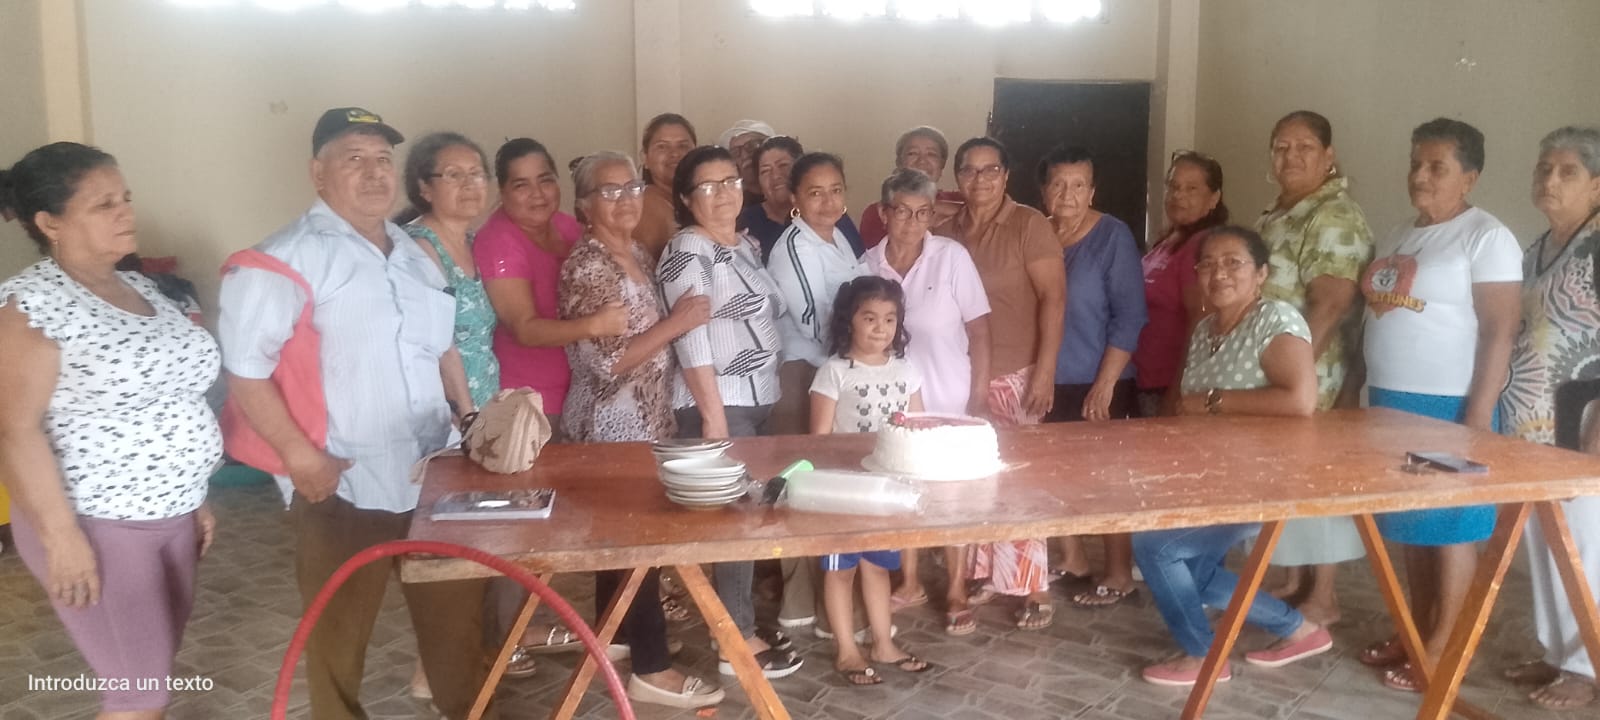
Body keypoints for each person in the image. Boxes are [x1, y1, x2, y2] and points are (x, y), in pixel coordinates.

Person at [219, 108, 492, 719]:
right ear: (318, 173)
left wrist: (469, 418)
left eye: (383, 160)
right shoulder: (286, 257)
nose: (374, 173)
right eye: (354, 159)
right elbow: (244, 368)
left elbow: (441, 344)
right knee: (338, 638)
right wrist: (299, 458)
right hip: (341, 479)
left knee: (457, 628)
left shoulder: (414, 253)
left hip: (433, 474)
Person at [0, 142, 222, 719]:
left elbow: (174, 394)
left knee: (150, 679)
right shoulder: (32, 307)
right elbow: (14, 431)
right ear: (50, 222)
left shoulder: (143, 290)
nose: (126, 212)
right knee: (138, 695)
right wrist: (60, 537)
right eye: (103, 205)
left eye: (125, 198)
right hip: (99, 522)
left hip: (172, 513)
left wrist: (194, 494)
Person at [1343, 118, 1522, 692]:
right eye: (1416, 163)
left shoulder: (1486, 237)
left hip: (1450, 405)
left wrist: (1477, 417)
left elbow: (1500, 330)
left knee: (1451, 528)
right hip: (1391, 405)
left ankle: (1446, 649)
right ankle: (1416, 632)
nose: (1420, 175)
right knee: (1413, 526)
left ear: (1469, 177)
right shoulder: (1401, 233)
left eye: (1437, 166)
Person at [558, 151, 721, 709]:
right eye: (609, 191)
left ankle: (619, 637)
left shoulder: (637, 253)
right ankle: (653, 670)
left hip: (644, 422)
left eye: (631, 187)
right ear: (584, 205)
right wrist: (679, 323)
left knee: (621, 543)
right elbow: (607, 362)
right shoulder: (588, 266)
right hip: (610, 426)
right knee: (641, 544)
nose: (625, 199)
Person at [1135, 225, 1331, 687]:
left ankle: (1202, 656)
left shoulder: (1274, 320)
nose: (1218, 273)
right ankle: (1299, 630)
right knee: (1196, 573)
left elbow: (1300, 400)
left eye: (1233, 263)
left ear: (1260, 273)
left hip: (1260, 479)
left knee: (1155, 547)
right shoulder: (1206, 329)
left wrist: (1213, 402)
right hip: (1211, 477)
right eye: (1207, 264)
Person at [657, 145, 801, 678]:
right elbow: (690, 334)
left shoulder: (744, 244)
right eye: (708, 186)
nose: (723, 193)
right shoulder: (687, 248)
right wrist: (713, 417)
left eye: (731, 182)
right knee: (734, 524)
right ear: (686, 198)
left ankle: (739, 623)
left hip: (756, 400)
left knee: (746, 517)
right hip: (721, 405)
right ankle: (734, 639)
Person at [934, 137, 1066, 630]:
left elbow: (1054, 298)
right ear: (958, 177)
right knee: (973, 482)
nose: (980, 179)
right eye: (969, 170)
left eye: (991, 170)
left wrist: (1045, 371)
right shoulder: (946, 231)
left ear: (1006, 176)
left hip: (1016, 373)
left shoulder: (1029, 225)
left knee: (1018, 482)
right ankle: (991, 575)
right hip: (962, 378)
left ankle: (1034, 586)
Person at [1254, 110, 1372, 625]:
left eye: (1304, 147)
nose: (1291, 156)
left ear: (1329, 156)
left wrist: (1291, 374)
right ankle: (1293, 580)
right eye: (1281, 147)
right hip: (1276, 371)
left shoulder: (1335, 214)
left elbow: (1331, 304)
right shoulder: (1279, 212)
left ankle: (1323, 595)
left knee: (1317, 479)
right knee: (1287, 479)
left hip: (1312, 376)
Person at [1499, 125, 1600, 711]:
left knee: (1584, 547)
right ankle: (1559, 652)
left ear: (1597, 185)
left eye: (1567, 172)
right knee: (1543, 544)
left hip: (1581, 426)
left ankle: (1587, 666)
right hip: (1531, 427)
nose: (1550, 180)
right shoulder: (1536, 246)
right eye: (1544, 169)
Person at [864, 168, 992, 633]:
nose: (913, 223)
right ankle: (911, 580)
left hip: (951, 395)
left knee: (952, 496)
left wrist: (979, 396)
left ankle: (956, 589)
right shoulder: (865, 265)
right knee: (903, 487)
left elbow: (980, 330)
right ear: (884, 213)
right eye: (902, 212)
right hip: (895, 402)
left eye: (923, 213)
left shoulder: (952, 257)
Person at [1036, 146, 1148, 608]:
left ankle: (1119, 573)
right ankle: (1074, 558)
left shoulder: (1112, 236)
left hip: (1101, 379)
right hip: (1047, 379)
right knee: (1053, 476)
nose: (1068, 194)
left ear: (1092, 191)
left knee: (1108, 481)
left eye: (1079, 185)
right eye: (1058, 184)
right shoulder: (1037, 233)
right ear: (1044, 191)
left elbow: (1130, 315)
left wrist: (1105, 385)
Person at [809, 275, 933, 685]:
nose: (881, 328)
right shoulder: (833, 372)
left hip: (886, 490)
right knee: (840, 570)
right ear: (849, 321)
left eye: (890, 319)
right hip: (844, 491)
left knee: (878, 567)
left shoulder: (906, 370)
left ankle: (883, 644)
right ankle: (847, 650)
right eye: (869, 318)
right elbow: (819, 439)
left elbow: (916, 427)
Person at [476, 138, 624, 432]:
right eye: (521, 185)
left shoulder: (566, 226)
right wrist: (595, 325)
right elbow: (524, 329)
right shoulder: (498, 242)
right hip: (531, 402)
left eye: (545, 180)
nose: (537, 194)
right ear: (503, 192)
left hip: (581, 391)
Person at [766, 152, 868, 436]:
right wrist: (867, 353)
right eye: (815, 193)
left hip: (840, 368)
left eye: (835, 190)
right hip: (805, 373)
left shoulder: (838, 236)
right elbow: (813, 321)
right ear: (794, 199)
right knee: (804, 458)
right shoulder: (797, 245)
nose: (828, 202)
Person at [401, 132, 499, 409]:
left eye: (476, 174)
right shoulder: (418, 248)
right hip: (447, 412)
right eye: (453, 175)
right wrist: (464, 412)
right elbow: (435, 345)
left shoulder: (474, 242)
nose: (469, 184)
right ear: (424, 188)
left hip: (483, 404)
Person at [1136, 151, 1228, 416]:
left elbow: (1201, 323)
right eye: (1173, 187)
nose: (1178, 196)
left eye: (1191, 189)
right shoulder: (1169, 241)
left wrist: (1175, 395)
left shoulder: (1203, 245)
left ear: (1214, 198)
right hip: (1145, 380)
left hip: (1168, 386)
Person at [737, 136, 865, 263]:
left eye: (783, 165)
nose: (775, 176)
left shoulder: (829, 213)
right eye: (765, 171)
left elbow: (860, 263)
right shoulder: (745, 222)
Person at [857, 126, 965, 248]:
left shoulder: (958, 200)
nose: (922, 161)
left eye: (931, 154)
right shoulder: (879, 212)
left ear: (942, 165)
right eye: (912, 153)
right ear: (899, 162)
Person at [635, 114, 698, 261]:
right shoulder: (647, 203)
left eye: (683, 146)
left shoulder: (693, 201)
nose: (675, 154)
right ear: (645, 158)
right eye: (662, 147)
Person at [718, 119, 775, 208]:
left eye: (751, 146)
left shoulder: (793, 192)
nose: (744, 156)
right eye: (735, 152)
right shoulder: (732, 205)